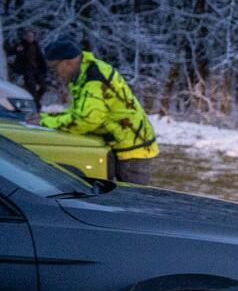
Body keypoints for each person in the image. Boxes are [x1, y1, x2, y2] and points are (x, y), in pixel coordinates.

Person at [33, 35, 161, 184]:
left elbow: (87, 120)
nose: (55, 73)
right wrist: (48, 118)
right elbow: (81, 112)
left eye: (54, 68)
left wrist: (45, 122)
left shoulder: (93, 79)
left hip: (133, 149)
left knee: (132, 200)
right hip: (126, 143)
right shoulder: (86, 72)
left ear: (67, 63)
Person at [4, 28, 50, 111]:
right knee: (31, 88)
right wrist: (13, 48)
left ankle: (36, 102)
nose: (30, 38)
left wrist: (44, 68)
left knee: (43, 87)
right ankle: (34, 107)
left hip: (37, 69)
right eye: (28, 36)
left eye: (31, 36)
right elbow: (11, 51)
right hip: (27, 70)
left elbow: (40, 58)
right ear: (25, 37)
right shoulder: (21, 45)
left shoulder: (36, 45)